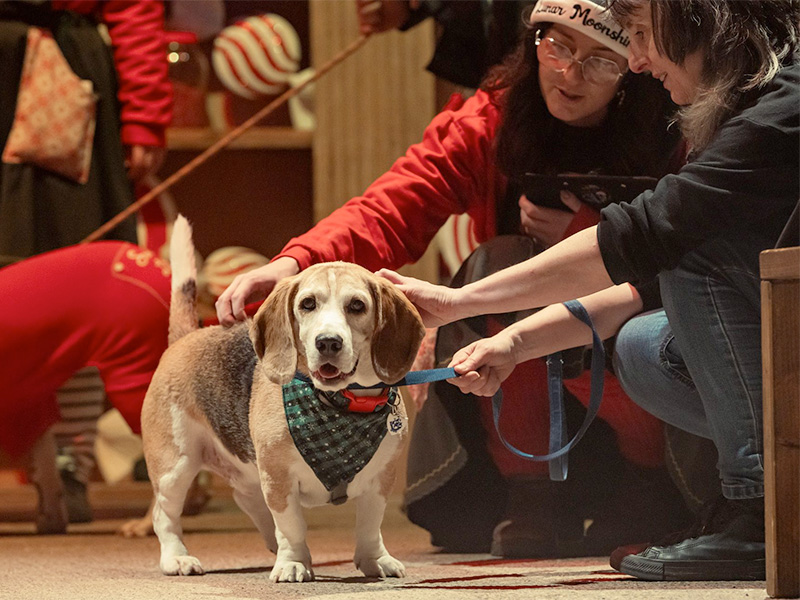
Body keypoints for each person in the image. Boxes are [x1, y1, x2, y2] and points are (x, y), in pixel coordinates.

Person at [216, 0, 690, 557]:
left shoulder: (673, 123)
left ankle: (645, 486)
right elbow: (397, 202)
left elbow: (687, 244)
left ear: (633, 66)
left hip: (638, 343)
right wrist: (294, 262)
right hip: (513, 358)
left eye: (600, 61)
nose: (569, 73)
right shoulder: (494, 114)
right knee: (499, 258)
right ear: (532, 40)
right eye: (556, 46)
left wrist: (588, 233)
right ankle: (531, 493)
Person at [377, 0, 800, 581]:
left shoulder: (781, 107)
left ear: (702, 19)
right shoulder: (493, 114)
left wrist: (464, 301)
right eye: (558, 48)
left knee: (688, 249)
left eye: (637, 38)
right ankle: (760, 492)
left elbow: (651, 236)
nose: (640, 59)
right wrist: (511, 342)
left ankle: (758, 512)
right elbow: (641, 286)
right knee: (643, 346)